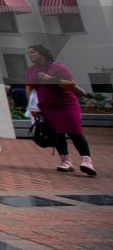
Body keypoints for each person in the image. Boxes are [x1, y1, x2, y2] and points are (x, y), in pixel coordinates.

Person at [25, 44, 96, 176]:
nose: (30, 55)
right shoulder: (31, 70)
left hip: (66, 105)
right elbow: (29, 89)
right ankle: (65, 161)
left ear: (42, 53)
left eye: (32, 52)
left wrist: (50, 79)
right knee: (57, 134)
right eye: (28, 53)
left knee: (74, 131)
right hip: (46, 107)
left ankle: (87, 161)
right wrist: (32, 107)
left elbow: (71, 84)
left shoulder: (57, 67)